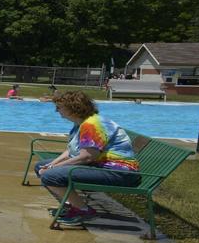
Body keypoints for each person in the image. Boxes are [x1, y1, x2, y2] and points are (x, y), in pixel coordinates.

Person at [32, 91, 141, 230]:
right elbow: (72, 151)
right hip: (103, 167)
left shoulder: (92, 125)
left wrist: (52, 169)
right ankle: (73, 205)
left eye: (59, 107)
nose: (56, 110)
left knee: (50, 175)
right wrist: (52, 164)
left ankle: (83, 211)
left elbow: (87, 156)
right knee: (41, 166)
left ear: (73, 108)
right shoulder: (82, 123)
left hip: (120, 173)